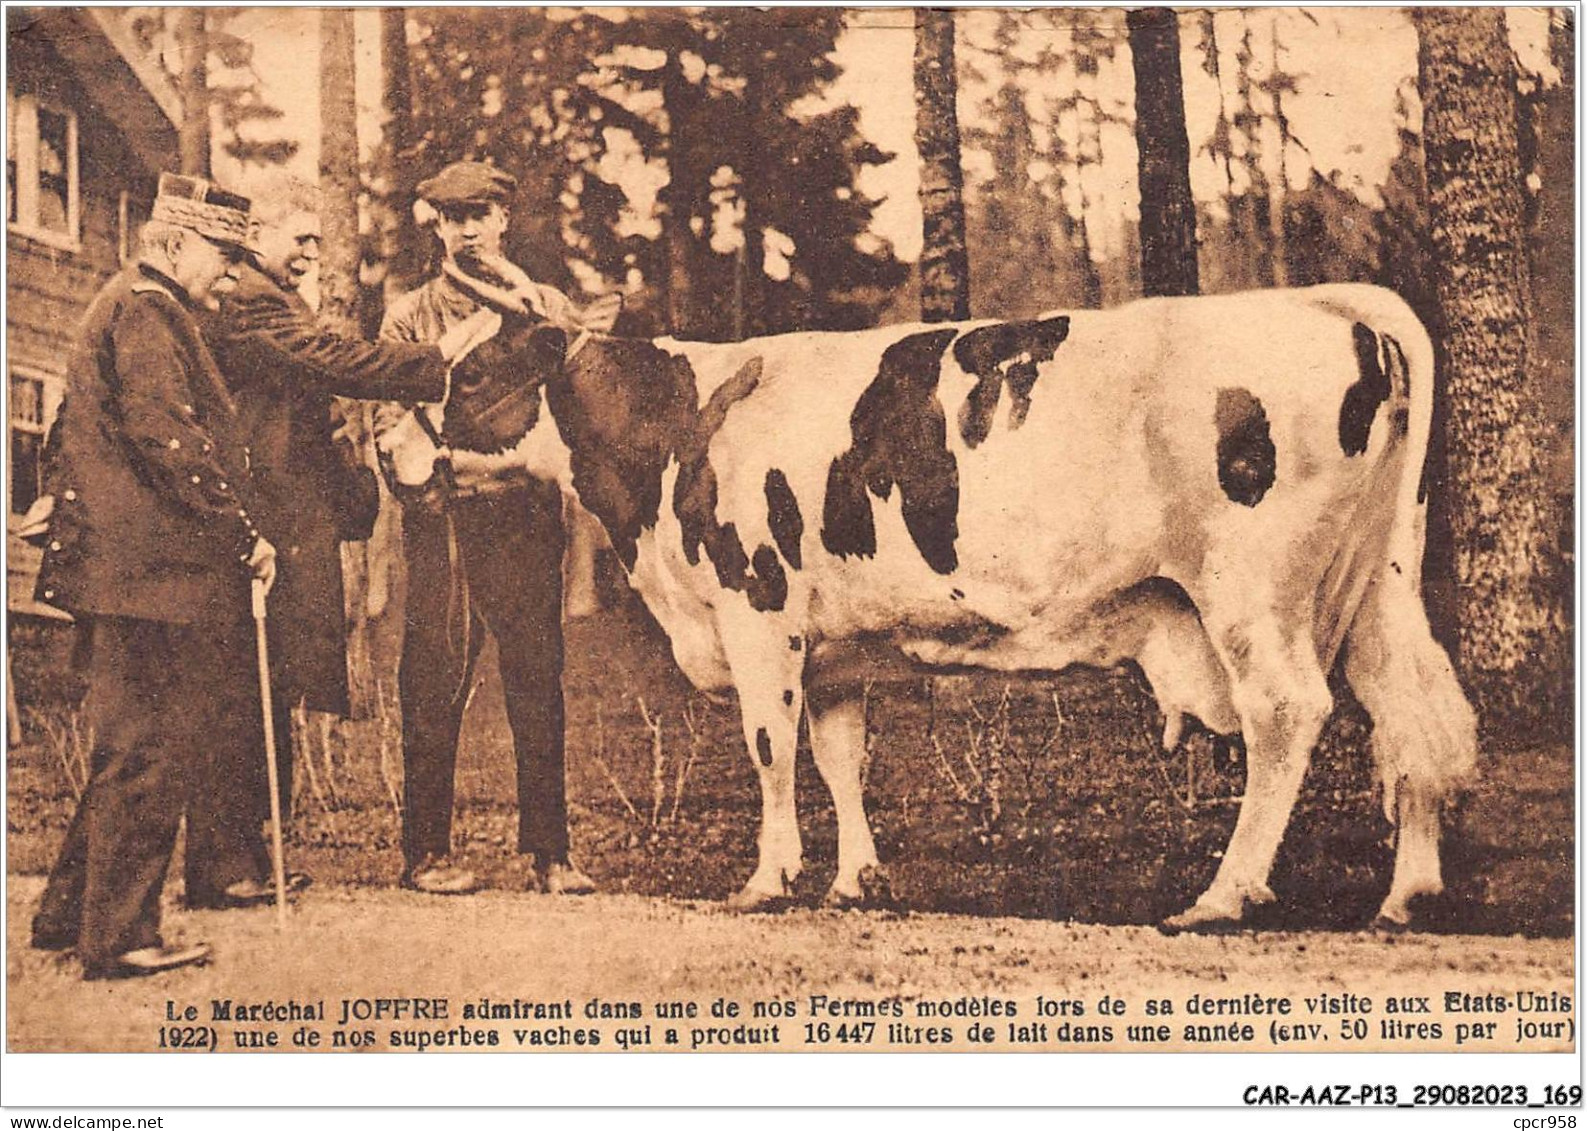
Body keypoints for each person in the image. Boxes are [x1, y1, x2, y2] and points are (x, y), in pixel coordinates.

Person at [188, 173, 498, 909]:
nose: (310, 253)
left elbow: (316, 409)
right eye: (299, 237)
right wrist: (435, 359)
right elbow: (335, 362)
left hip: (291, 525)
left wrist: (352, 495)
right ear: (254, 235)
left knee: (269, 686)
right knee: (247, 689)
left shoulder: (274, 301)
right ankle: (225, 863)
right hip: (260, 528)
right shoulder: (250, 301)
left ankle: (243, 857)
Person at [28, 174, 269, 979]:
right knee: (150, 750)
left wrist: (54, 499)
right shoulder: (150, 310)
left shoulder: (120, 302)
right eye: (224, 256)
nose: (232, 276)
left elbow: (68, 430)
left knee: (126, 747)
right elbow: (169, 439)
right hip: (152, 576)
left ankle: (67, 915)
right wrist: (243, 536)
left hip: (124, 571)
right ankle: (123, 936)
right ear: (171, 243)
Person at [374, 160, 594, 897]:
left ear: (504, 218)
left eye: (482, 213)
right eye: (452, 214)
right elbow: (390, 420)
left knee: (538, 677)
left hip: (528, 523)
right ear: (432, 223)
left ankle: (551, 854)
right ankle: (425, 852)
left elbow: (578, 411)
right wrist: (431, 485)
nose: (468, 227)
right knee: (434, 679)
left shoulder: (547, 304)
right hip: (448, 523)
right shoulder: (410, 316)